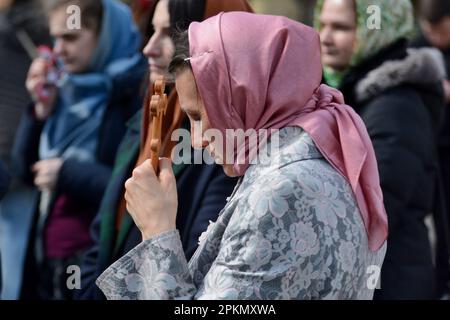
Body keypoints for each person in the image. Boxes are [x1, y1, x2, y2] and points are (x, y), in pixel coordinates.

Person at [95, 12, 388, 300]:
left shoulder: (282, 192)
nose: (195, 140)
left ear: (243, 96)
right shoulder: (317, 158)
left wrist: (157, 231)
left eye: (198, 116)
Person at [75, 0, 250, 300]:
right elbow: (102, 235)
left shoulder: (226, 150)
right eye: (151, 31)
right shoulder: (146, 121)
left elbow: (199, 271)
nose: (149, 48)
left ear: (216, 42)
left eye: (170, 34)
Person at [12, 0, 146, 299]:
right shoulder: (65, 87)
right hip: (45, 257)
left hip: (94, 261)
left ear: (105, 36)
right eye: (55, 38)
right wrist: (39, 112)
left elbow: (134, 189)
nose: (58, 49)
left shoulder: (134, 96)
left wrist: (68, 173)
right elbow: (24, 170)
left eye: (70, 37)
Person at [316, 0, 448, 299]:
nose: (325, 37)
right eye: (323, 24)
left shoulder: (395, 107)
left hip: (390, 283)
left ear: (377, 30)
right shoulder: (350, 93)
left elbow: (371, 211)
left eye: (341, 28)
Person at [0, 0, 50, 299]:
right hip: (26, 153)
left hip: (13, 154)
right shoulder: (48, 27)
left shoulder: (9, 26)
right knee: (13, 262)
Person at [412, 0, 450, 296]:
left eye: (442, 30)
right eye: (430, 30)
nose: (436, 37)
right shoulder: (417, 49)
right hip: (430, 149)